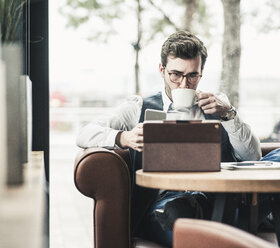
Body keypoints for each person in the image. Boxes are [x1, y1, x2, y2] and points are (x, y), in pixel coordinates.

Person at [77, 30, 262, 246]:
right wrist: (123, 137)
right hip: (164, 206)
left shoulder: (216, 106)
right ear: (162, 70)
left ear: (201, 73)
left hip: (216, 197)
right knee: (176, 212)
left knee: (278, 159)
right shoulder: (137, 108)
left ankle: (204, 210)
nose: (184, 84)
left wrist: (229, 114)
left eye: (193, 75)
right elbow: (84, 133)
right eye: (176, 74)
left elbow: (253, 156)